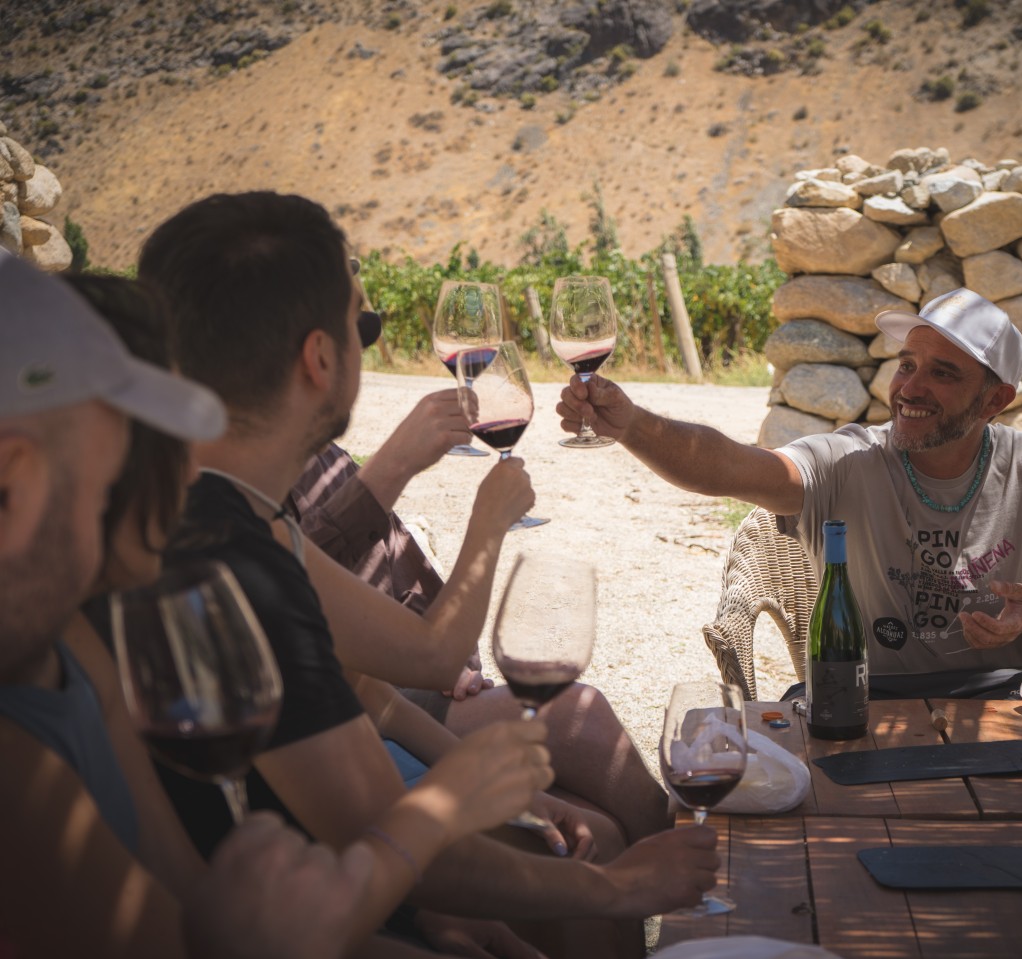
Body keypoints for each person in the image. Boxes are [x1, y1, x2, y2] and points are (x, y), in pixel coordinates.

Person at [137, 191, 718, 959]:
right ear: (320, 359)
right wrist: (620, 886)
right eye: (363, 325)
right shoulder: (230, 562)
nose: (368, 343)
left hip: (294, 894)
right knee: (587, 865)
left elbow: (367, 692)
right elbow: (406, 838)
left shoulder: (222, 517)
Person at [61, 272, 555, 959]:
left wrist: (407, 908)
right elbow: (417, 664)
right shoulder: (185, 554)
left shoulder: (204, 535)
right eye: (168, 405)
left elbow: (200, 896)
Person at [0, 254, 381, 958]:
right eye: (101, 485)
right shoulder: (15, 768)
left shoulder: (65, 649)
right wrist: (421, 841)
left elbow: (184, 899)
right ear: (13, 482)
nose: (187, 477)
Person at [557, 287, 1022, 700]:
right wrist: (632, 425)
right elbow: (728, 468)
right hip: (861, 705)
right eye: (907, 364)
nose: (910, 388)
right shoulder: (848, 461)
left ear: (994, 400)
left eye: (943, 373)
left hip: (1001, 705)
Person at [288, 398, 670, 845]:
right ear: (316, 361)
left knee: (595, 819)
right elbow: (295, 601)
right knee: (582, 742)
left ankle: (688, 866)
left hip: (385, 693)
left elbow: (395, 610)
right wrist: (480, 516)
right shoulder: (247, 492)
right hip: (346, 732)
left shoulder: (317, 454)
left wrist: (451, 662)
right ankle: (686, 870)